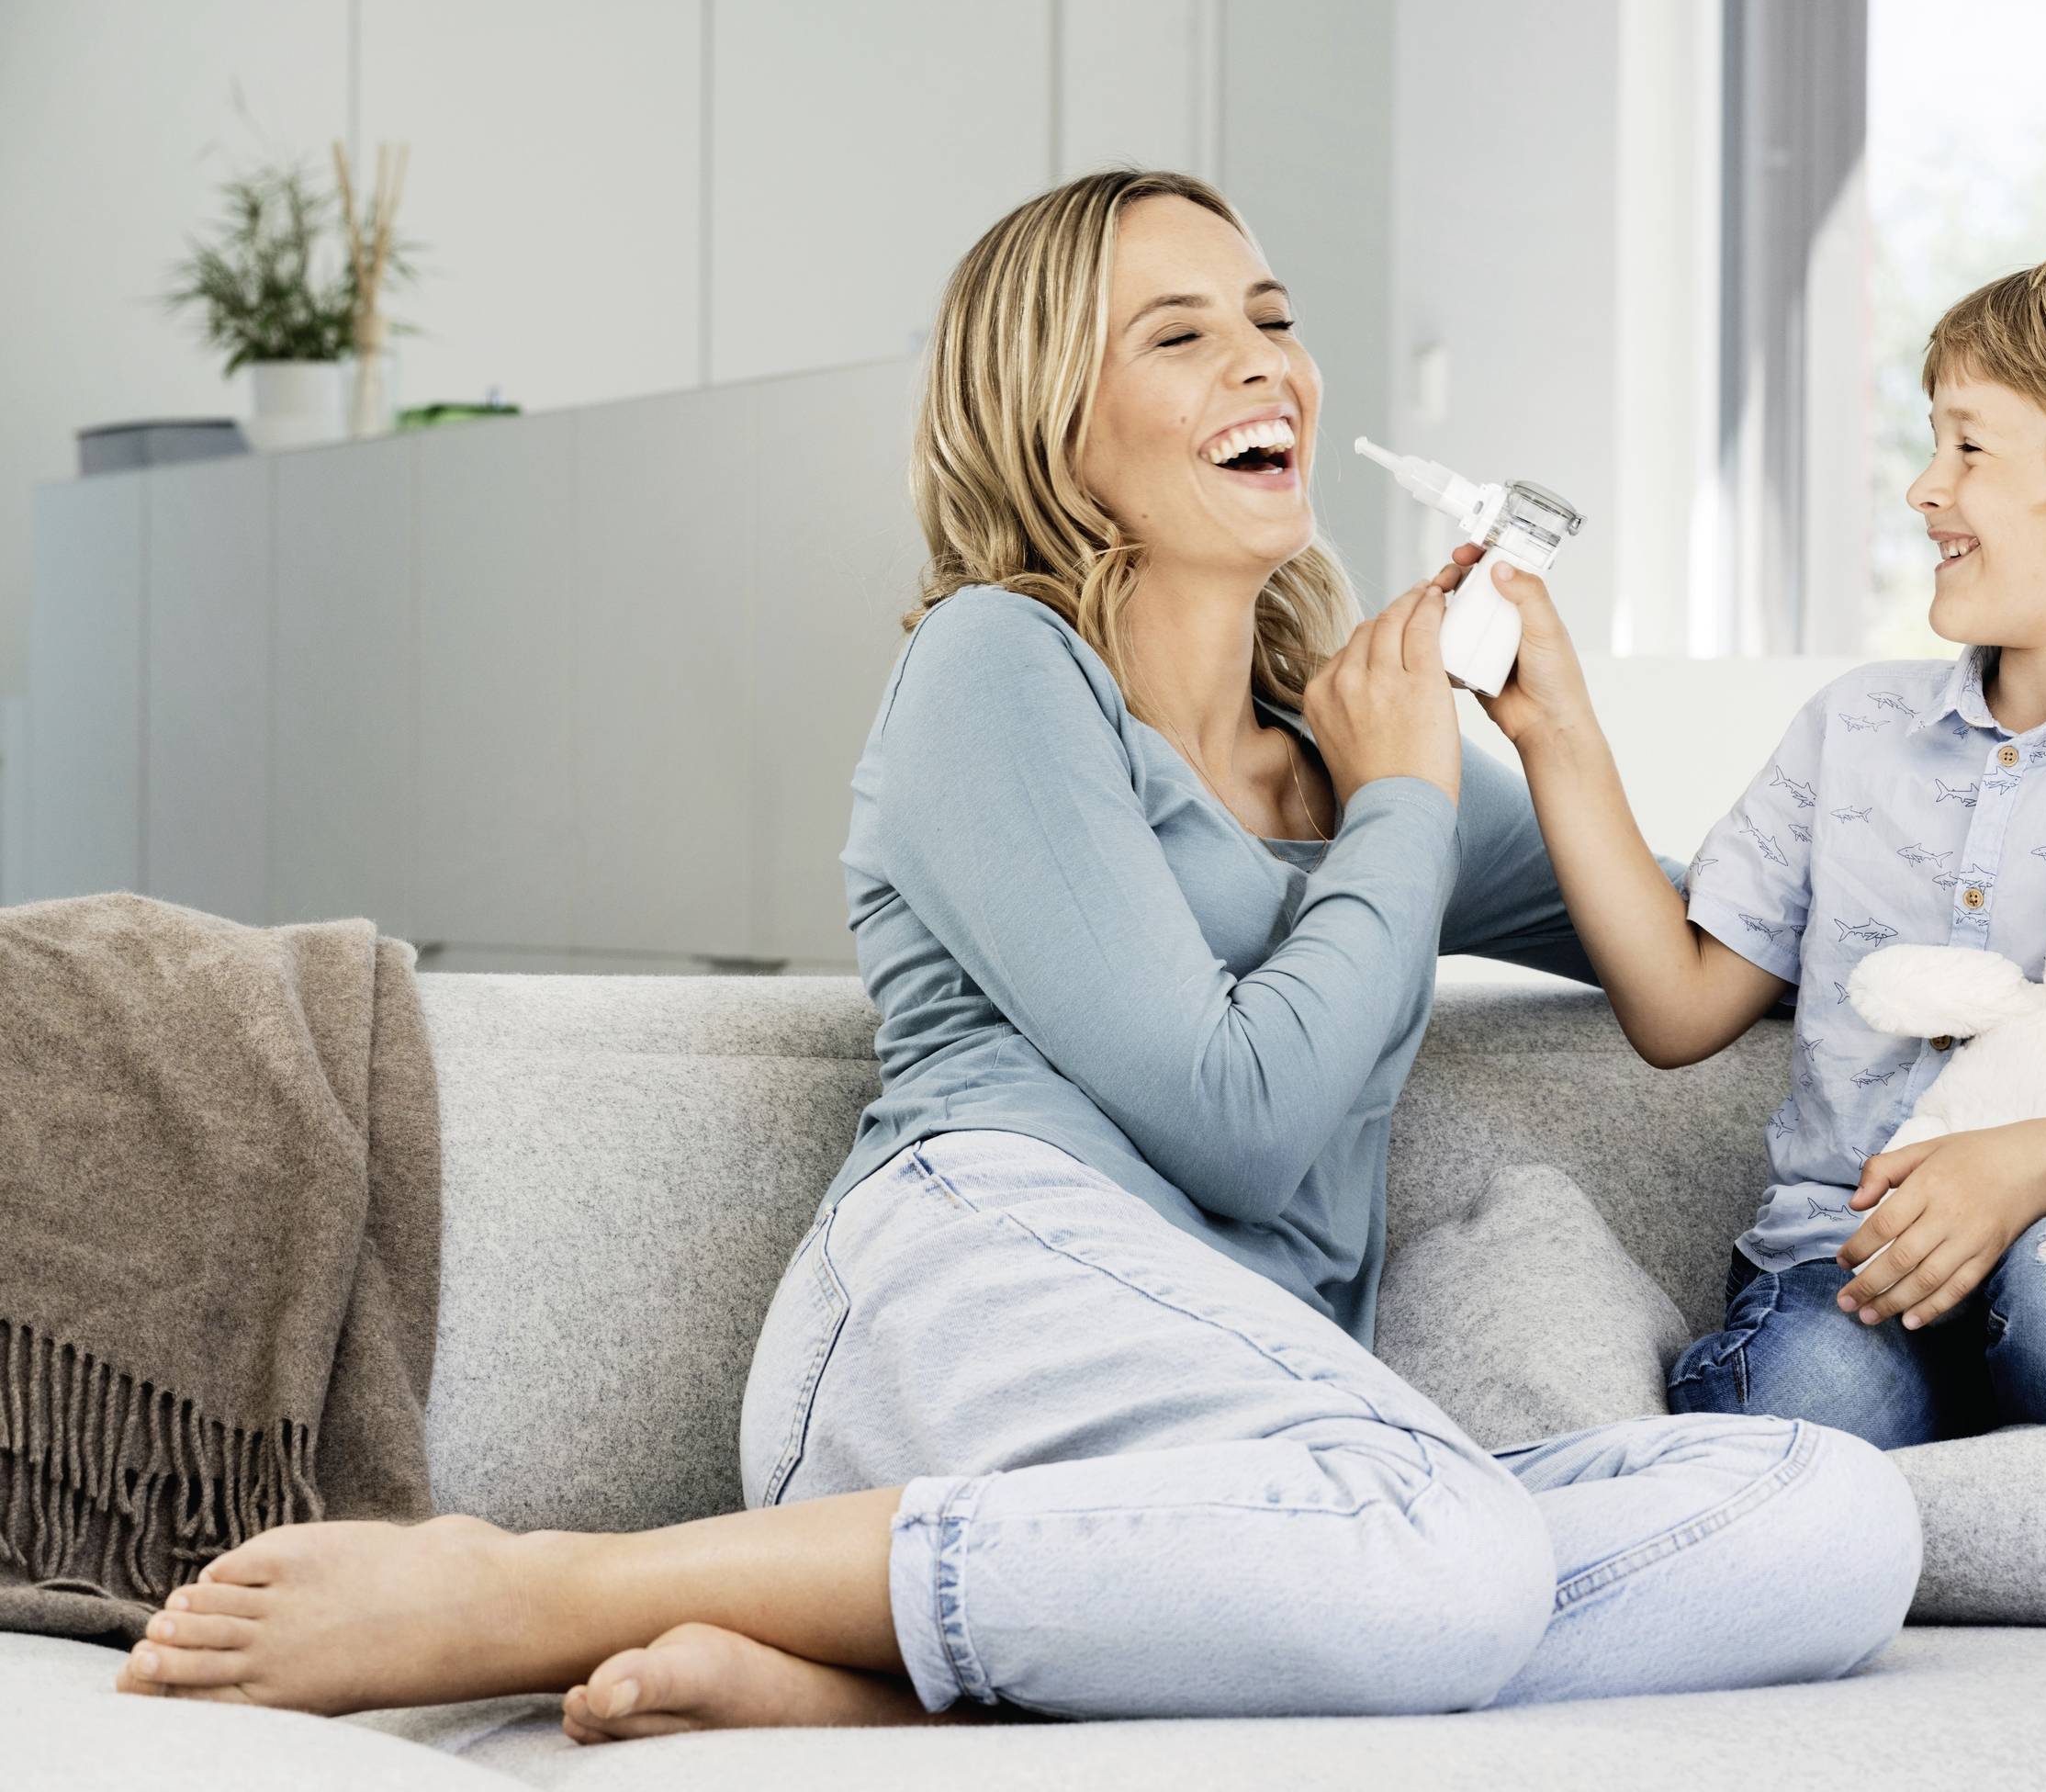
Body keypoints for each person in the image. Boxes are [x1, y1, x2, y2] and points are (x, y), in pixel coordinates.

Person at [115, 170, 1920, 1734]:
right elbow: (1241, 1118)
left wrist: (1558, 739)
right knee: (1440, 1554)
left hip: (1218, 1467)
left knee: (1827, 1522)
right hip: (965, 1301)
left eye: (1272, 320)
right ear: (1053, 418)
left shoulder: (1343, 747)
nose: (1262, 362)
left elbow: (1715, 951)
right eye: (1178, 336)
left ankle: (905, 1672)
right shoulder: (1000, 668)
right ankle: (548, 1587)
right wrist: (1402, 804)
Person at [1462, 252, 2046, 1451]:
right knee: (1802, 1405)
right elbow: (1677, 1007)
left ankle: (1976, 1472)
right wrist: (1554, 729)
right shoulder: (1857, 731)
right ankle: (1939, 1473)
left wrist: (2025, 1170)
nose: (1926, 490)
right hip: (1851, 1265)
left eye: (1970, 449)